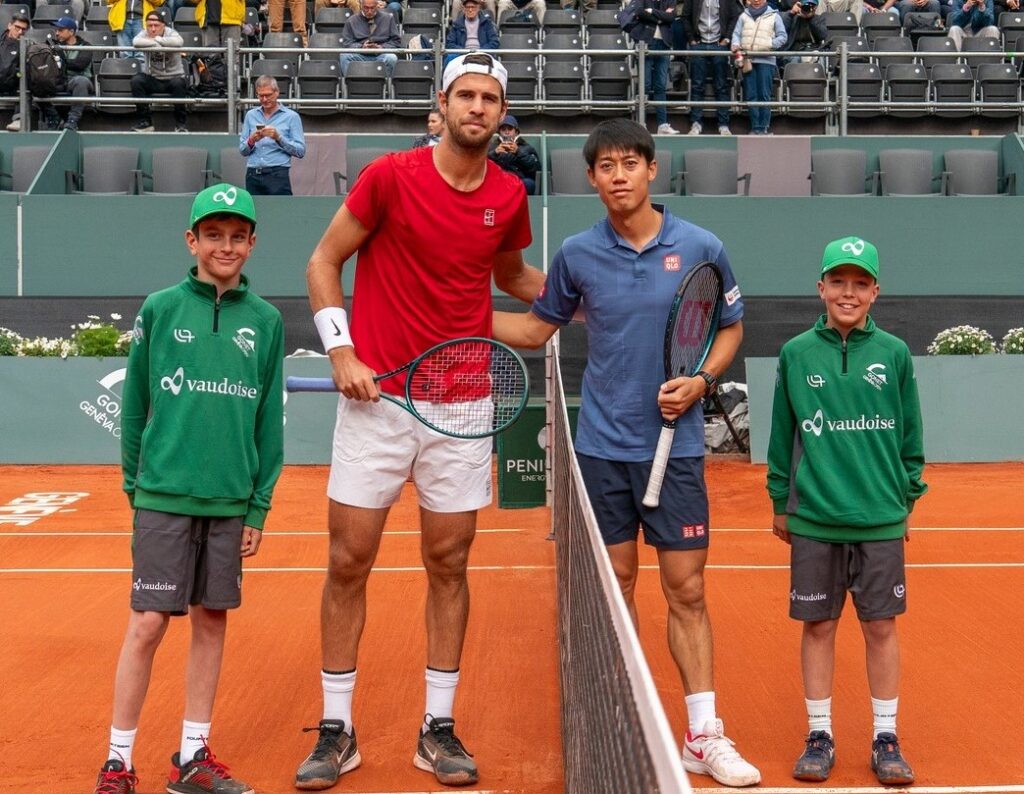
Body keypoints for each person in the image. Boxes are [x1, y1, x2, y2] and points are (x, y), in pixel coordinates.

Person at [294, 51, 546, 791]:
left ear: (502, 115)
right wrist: (341, 350)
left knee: (450, 562)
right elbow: (322, 261)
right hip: (376, 400)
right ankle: (335, 729)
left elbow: (512, 278)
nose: (477, 107)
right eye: (465, 95)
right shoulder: (389, 178)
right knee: (349, 560)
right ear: (441, 104)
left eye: (489, 98)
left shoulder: (509, 193)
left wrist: (594, 289)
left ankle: (438, 727)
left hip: (462, 404)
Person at [490, 118, 761, 789]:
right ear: (591, 178)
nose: (618, 176)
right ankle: (625, 716)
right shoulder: (577, 255)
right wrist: (449, 314)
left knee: (687, 589)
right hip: (603, 450)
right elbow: (536, 328)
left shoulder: (700, 246)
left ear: (651, 169)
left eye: (629, 163)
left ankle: (703, 733)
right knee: (616, 588)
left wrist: (702, 381)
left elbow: (730, 328)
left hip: (679, 450)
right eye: (605, 166)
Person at [89, 182, 285, 794]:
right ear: (191, 241)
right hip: (162, 496)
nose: (226, 246)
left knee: (212, 621)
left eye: (237, 236)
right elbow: (134, 405)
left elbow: (268, 420)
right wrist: (136, 487)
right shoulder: (159, 308)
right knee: (148, 623)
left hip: (230, 501)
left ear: (252, 243)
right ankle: (118, 761)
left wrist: (258, 505)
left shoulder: (267, 321)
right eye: (213, 234)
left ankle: (193, 758)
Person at [766, 236, 927, 786]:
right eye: (838, 281)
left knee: (880, 626)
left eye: (860, 283)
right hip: (814, 516)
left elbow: (910, 435)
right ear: (821, 288)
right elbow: (781, 434)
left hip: (879, 517)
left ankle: (885, 737)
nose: (848, 293)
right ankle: (819, 735)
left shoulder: (895, 354)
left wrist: (906, 498)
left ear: (876, 291)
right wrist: (780, 500)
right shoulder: (795, 353)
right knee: (819, 625)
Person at [680, 0, 741, 135]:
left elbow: (734, 17)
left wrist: (727, 38)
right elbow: (685, 17)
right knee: (697, 85)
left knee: (721, 85)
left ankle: (723, 124)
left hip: (719, 44)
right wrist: (691, 39)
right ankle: (696, 123)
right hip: (698, 44)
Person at [239, 75, 306, 195]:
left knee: (281, 207)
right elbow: (242, 151)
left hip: (278, 173)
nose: (264, 99)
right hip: (252, 173)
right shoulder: (250, 115)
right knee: (253, 208)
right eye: (261, 96)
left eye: (268, 95)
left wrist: (278, 138)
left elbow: (300, 151)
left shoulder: (291, 117)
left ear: (277, 93)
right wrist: (251, 140)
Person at [622, 0, 679, 134]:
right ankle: (641, 124)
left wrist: (652, 12)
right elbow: (639, 12)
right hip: (646, 42)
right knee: (645, 85)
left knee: (661, 86)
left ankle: (662, 125)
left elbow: (671, 17)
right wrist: (661, 18)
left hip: (664, 44)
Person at [731, 0, 786, 134]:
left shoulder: (775, 16)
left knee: (764, 95)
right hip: (748, 60)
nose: (756, 0)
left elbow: (783, 37)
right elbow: (736, 35)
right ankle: (755, 127)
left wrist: (768, 44)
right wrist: (735, 44)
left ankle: (764, 127)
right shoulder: (743, 16)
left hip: (767, 61)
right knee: (751, 95)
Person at [130, 10, 189, 132]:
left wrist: (158, 40)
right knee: (136, 80)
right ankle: (146, 123)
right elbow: (135, 42)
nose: (152, 29)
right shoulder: (144, 33)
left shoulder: (171, 32)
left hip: (173, 78)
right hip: (153, 78)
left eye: (156, 26)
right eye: (149, 26)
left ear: (163, 25)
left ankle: (180, 125)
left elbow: (179, 42)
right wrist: (156, 44)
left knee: (179, 83)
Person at [49, 16, 95, 131]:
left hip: (77, 80)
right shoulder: (53, 46)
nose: (57, 33)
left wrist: (61, 59)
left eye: (60, 30)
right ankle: (53, 117)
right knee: (38, 80)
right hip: (59, 81)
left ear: (71, 31)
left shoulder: (86, 46)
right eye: (56, 30)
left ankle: (72, 120)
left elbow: (79, 65)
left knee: (81, 81)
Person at [339, 0, 400, 78]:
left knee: (391, 58)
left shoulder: (388, 18)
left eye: (372, 8)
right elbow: (347, 43)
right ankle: (351, 83)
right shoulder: (351, 20)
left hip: (381, 54)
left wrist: (382, 47)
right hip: (359, 54)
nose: (369, 11)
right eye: (366, 8)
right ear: (361, 6)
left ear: (377, 6)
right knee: (344, 56)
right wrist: (361, 47)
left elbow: (396, 41)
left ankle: (384, 83)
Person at [487, 113, 539, 194]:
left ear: (516, 132)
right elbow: (480, 165)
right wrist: (494, 153)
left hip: (518, 181)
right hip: (498, 181)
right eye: (503, 129)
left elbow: (535, 167)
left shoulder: (526, 147)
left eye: (510, 129)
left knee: (529, 184)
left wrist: (518, 152)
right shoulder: (492, 147)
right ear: (499, 132)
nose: (507, 132)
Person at [444, 0, 500, 66]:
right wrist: (463, 51)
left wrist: (481, 51)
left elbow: (494, 42)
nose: (470, 10)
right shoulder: (457, 24)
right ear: (463, 9)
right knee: (449, 58)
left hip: (483, 54)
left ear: (478, 8)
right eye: (468, 7)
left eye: (473, 7)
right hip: (461, 54)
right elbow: (450, 43)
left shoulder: (487, 23)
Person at [1, 12, 29, 132]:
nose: (20, 32)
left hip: (14, 82)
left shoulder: (27, 45)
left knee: (24, 76)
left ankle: (19, 118)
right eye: (17, 27)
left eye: (23, 29)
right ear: (9, 26)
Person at [780, 0, 828, 67]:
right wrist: (791, 13)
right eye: (805, 5)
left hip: (812, 50)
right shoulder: (792, 17)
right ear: (800, 5)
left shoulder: (819, 19)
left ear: (815, 7)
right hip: (794, 52)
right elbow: (782, 29)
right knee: (796, 59)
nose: (807, 8)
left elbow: (822, 35)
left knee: (817, 58)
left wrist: (811, 18)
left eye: (812, 6)